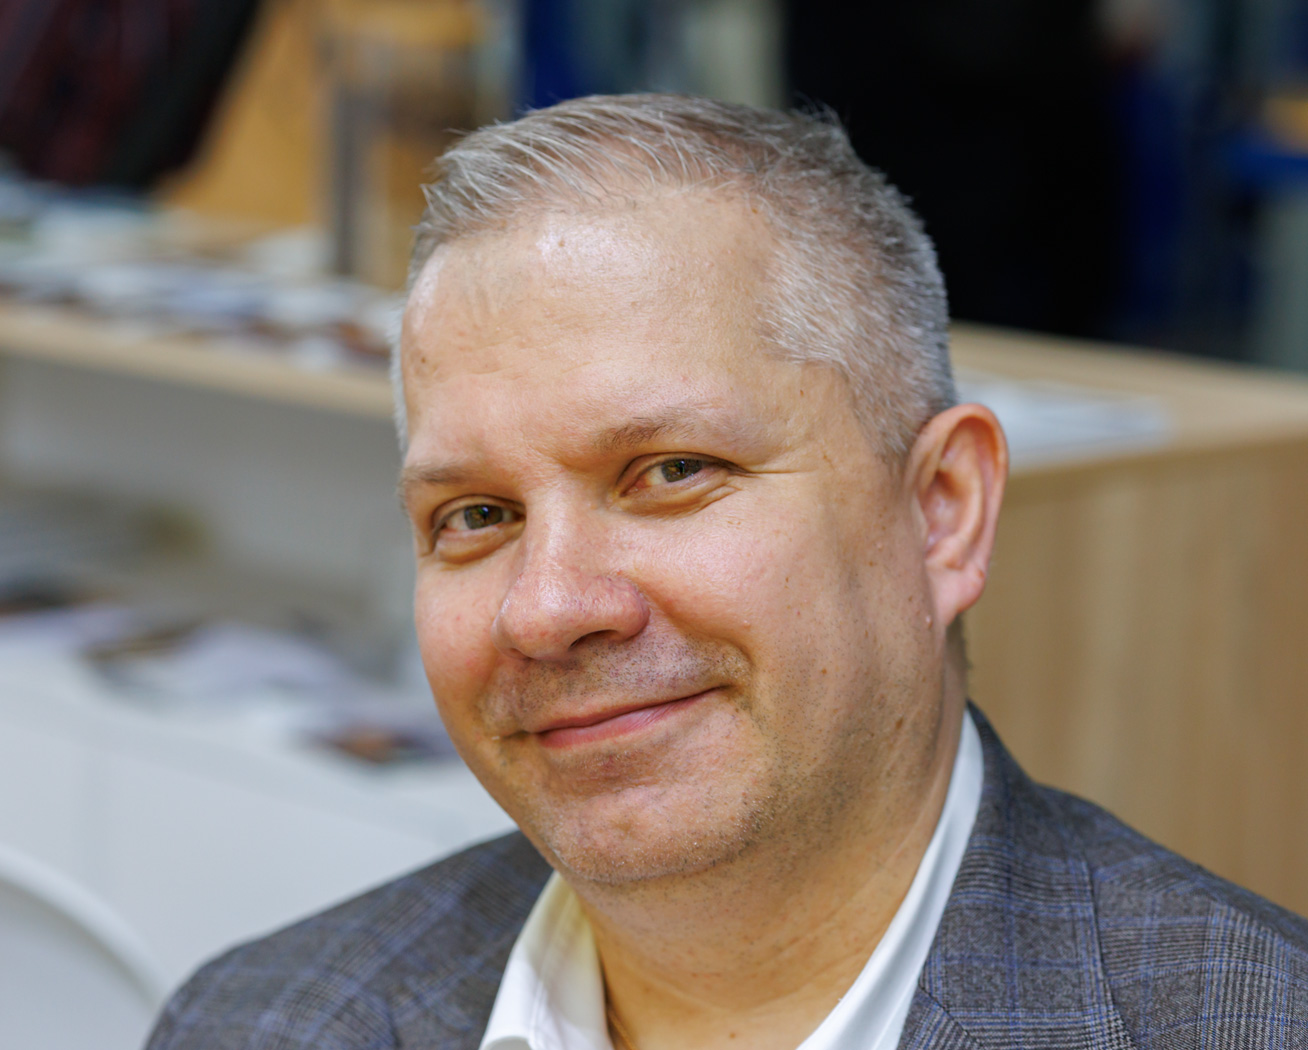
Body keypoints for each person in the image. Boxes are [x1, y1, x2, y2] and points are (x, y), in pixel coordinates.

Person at [146, 95, 1308, 1050]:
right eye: (478, 515)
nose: (547, 607)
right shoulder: (259, 1023)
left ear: (941, 514)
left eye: (671, 472)